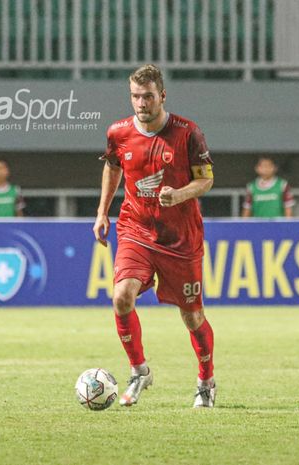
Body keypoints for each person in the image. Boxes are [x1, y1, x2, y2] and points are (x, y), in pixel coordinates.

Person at [92, 64, 216, 408]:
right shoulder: (118, 132)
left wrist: (179, 194)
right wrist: (102, 211)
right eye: (135, 96)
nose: (141, 103)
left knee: (192, 317)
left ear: (162, 95)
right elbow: (113, 166)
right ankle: (139, 371)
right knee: (121, 297)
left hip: (180, 237)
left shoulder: (187, 133)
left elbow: (206, 179)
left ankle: (206, 379)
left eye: (148, 96)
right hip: (136, 229)